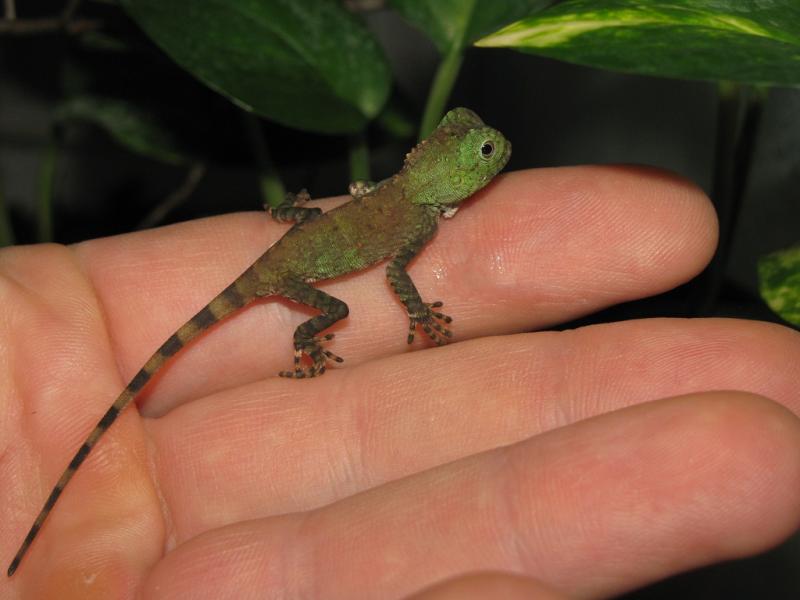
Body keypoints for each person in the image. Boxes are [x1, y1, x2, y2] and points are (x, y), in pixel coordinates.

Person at [3, 166, 799, 599]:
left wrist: (297, 220)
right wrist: (420, 321)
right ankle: (315, 345)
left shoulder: (401, 194)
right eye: (481, 155)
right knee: (336, 314)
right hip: (288, 279)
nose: (493, 157)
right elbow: (400, 280)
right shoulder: (413, 215)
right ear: (449, 173)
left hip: (288, 249)